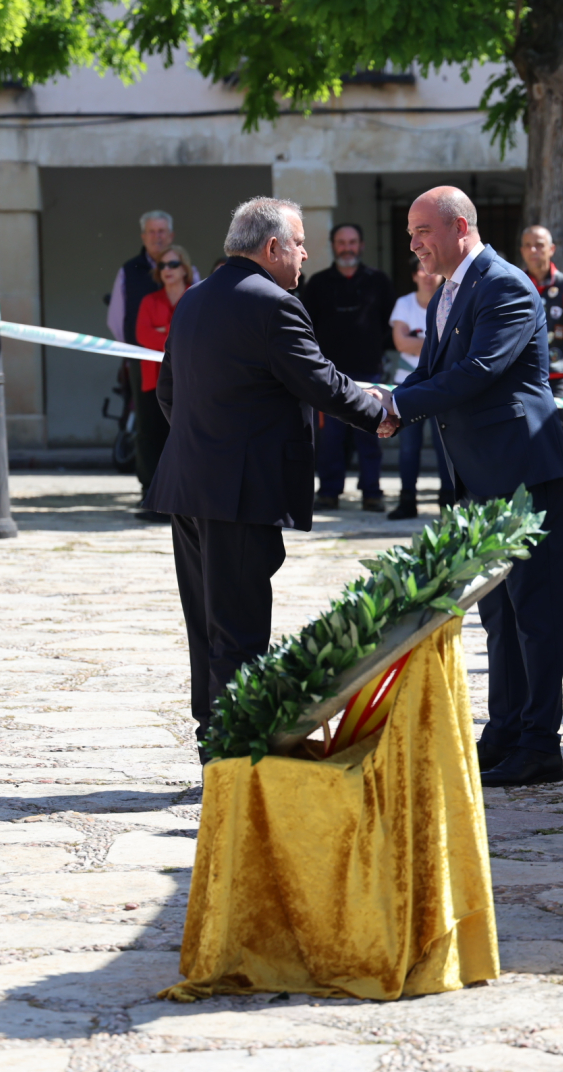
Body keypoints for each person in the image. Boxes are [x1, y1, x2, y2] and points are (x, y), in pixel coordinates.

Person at [145, 197, 387, 757]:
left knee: (207, 626)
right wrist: (380, 413)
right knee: (240, 629)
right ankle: (239, 754)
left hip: (189, 484)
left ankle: (215, 738)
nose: (305, 255)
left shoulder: (195, 297)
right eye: (299, 244)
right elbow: (319, 382)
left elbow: (168, 393)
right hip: (239, 491)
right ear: (273, 247)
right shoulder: (275, 304)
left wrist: (207, 445)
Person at [375, 186, 563, 788]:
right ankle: (506, 730)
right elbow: (431, 372)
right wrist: (387, 404)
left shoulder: (505, 284)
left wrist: (396, 405)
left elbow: (479, 370)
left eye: (423, 231)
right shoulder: (446, 293)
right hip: (479, 480)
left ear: (460, 227)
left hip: (525, 475)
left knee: (535, 616)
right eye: (410, 233)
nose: (414, 244)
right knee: (498, 615)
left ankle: (540, 743)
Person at [301, 223, 393, 513]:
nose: (347, 248)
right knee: (330, 439)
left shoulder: (378, 281)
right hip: (329, 376)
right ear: (333, 245)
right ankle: (328, 493)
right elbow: (306, 328)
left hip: (369, 372)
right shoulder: (318, 283)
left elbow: (389, 324)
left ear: (361, 245)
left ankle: (372, 493)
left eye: (352, 242)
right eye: (341, 242)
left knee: (371, 435)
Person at [519, 224, 563, 532]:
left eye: (539, 244)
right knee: (523, 441)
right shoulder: (515, 283)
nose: (533, 250)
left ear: (551, 249)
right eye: (527, 245)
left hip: (557, 377)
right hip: (521, 378)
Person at [386, 255, 454, 520]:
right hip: (407, 383)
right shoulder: (403, 304)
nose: (427, 276)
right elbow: (401, 344)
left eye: (431, 272)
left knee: (445, 445)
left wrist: (418, 344)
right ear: (415, 275)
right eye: (421, 271)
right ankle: (407, 501)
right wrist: (436, 346)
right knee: (408, 447)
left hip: (439, 384)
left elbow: (412, 342)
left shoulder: (448, 301)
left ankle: (448, 501)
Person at [133, 245, 194, 520]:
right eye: (162, 266)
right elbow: (143, 335)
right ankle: (154, 496)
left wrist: (164, 334)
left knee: (184, 438)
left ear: (184, 268)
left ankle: (184, 498)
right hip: (153, 379)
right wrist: (173, 336)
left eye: (173, 264)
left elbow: (195, 333)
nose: (167, 270)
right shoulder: (149, 301)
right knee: (151, 436)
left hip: (189, 380)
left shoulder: (195, 297)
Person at [107, 211, 173, 346]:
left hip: (177, 353)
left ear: (171, 236)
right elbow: (115, 319)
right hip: (138, 353)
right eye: (151, 232)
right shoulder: (128, 270)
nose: (157, 237)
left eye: (161, 231)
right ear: (143, 237)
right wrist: (130, 349)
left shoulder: (185, 269)